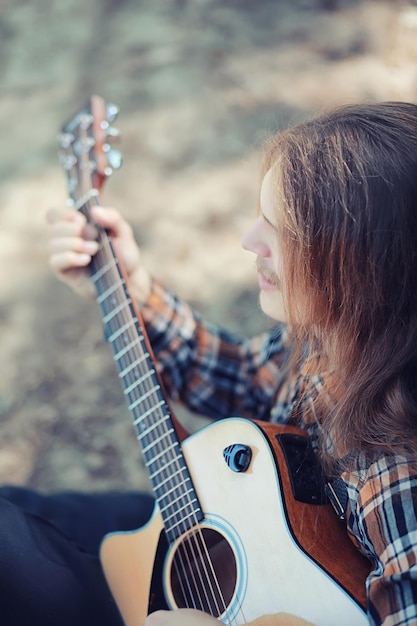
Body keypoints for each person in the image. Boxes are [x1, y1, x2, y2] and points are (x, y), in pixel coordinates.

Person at [3, 100, 417, 626]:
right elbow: (239, 378)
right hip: (223, 532)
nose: (249, 242)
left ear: (363, 273)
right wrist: (133, 289)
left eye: (282, 233)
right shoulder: (334, 338)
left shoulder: (397, 472)